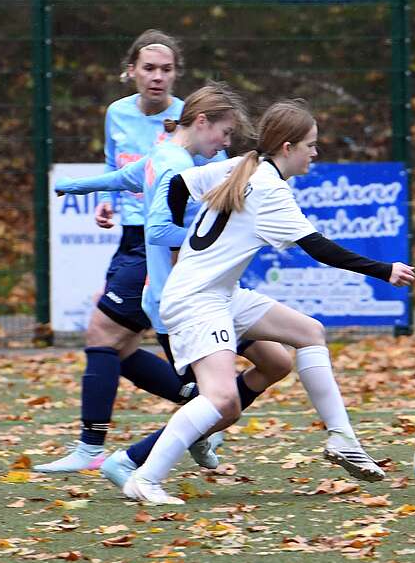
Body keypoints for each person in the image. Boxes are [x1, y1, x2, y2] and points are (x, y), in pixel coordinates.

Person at [111, 100, 415, 507]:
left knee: (308, 333)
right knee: (221, 400)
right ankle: (145, 478)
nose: (315, 152)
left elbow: (179, 185)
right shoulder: (270, 189)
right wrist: (384, 270)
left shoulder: (244, 164)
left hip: (219, 293)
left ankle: (342, 438)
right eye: (310, 144)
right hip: (198, 300)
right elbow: (319, 248)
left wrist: (179, 242)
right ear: (287, 147)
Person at [44, 83, 295, 482]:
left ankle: (197, 430)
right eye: (225, 133)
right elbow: (160, 230)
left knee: (276, 362)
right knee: (223, 404)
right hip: (187, 300)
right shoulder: (176, 166)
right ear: (201, 122)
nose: (226, 143)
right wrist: (220, 240)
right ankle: (130, 460)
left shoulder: (164, 155)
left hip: (211, 292)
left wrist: (73, 187)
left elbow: (123, 178)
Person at [37, 30, 207, 474]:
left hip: (162, 243)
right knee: (124, 346)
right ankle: (203, 410)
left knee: (101, 334)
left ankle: (91, 446)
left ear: (176, 74)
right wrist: (108, 201)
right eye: (149, 68)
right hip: (130, 236)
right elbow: (117, 166)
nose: (157, 77)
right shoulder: (117, 112)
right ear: (131, 71)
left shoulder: (192, 118)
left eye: (166, 69)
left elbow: (212, 176)